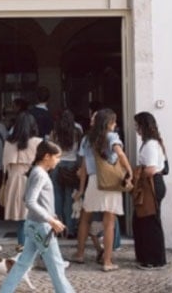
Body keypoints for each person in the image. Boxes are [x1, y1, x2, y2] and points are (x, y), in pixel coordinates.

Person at [0, 140, 76, 293]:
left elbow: (28, 199)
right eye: (57, 157)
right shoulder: (40, 174)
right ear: (47, 156)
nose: (58, 161)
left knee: (22, 264)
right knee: (56, 267)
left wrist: (50, 216)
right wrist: (50, 219)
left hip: (34, 225)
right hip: (41, 228)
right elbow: (30, 201)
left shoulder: (36, 172)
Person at [71, 108, 132, 271]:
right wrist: (129, 172)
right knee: (109, 222)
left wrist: (81, 189)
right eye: (114, 121)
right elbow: (120, 154)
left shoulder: (86, 139)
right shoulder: (112, 136)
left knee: (85, 218)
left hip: (92, 182)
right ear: (108, 123)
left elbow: (83, 167)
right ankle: (107, 261)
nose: (116, 124)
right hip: (109, 182)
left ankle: (80, 253)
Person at [132, 111, 167, 270]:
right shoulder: (150, 143)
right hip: (150, 184)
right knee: (143, 220)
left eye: (137, 125)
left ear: (143, 126)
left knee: (149, 222)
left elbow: (151, 169)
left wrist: (138, 172)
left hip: (151, 184)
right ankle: (148, 257)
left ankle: (154, 259)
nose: (135, 128)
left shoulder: (151, 144)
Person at [2, 111, 41, 247]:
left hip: (14, 180)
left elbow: (5, 165)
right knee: (38, 219)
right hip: (33, 179)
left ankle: (21, 251)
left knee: (21, 220)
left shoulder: (8, 143)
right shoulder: (38, 142)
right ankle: (39, 252)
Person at [50, 109, 80, 238]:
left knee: (57, 197)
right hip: (72, 166)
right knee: (69, 199)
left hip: (57, 164)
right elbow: (79, 151)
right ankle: (71, 230)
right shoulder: (77, 130)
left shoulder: (55, 132)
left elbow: (50, 149)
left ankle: (58, 228)